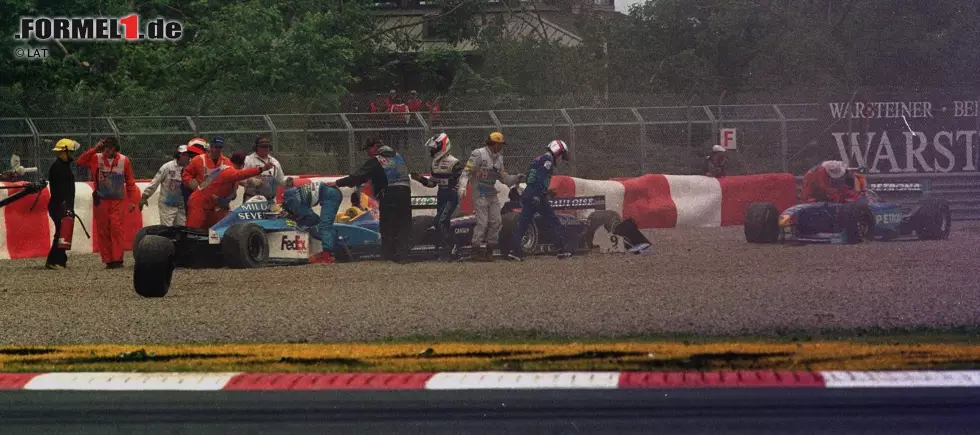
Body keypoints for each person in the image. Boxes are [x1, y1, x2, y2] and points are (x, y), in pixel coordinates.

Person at [331, 138, 412, 264]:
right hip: (406, 193)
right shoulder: (398, 156)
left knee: (387, 225)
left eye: (369, 149)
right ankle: (403, 256)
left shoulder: (377, 161)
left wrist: (337, 183)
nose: (368, 153)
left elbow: (358, 177)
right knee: (403, 224)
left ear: (376, 147)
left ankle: (388, 256)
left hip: (389, 194)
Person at [458, 132, 524, 262]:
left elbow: (504, 178)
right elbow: (466, 171)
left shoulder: (499, 158)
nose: (501, 148)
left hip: (491, 192)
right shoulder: (478, 154)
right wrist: (462, 185)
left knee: (496, 221)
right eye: (500, 145)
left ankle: (489, 250)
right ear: (494, 144)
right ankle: (475, 250)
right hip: (479, 190)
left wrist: (516, 178)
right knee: (482, 222)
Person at [76, 137, 140, 269]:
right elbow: (80, 161)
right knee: (103, 230)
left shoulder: (124, 160)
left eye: (109, 147)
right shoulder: (96, 158)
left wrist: (133, 201)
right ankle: (108, 260)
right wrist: (94, 149)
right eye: (104, 147)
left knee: (117, 229)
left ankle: (118, 259)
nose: (106, 150)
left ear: (115, 149)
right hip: (101, 200)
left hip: (117, 200)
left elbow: (130, 182)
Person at [507, 140, 573, 261]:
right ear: (557, 152)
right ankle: (562, 250)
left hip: (529, 192)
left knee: (523, 223)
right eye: (561, 155)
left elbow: (530, 179)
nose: (560, 159)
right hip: (537, 195)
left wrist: (542, 192)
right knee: (552, 221)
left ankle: (514, 251)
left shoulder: (537, 159)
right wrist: (538, 195)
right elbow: (540, 177)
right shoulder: (548, 160)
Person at [411, 133, 463, 261]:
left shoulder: (454, 163)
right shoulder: (434, 164)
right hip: (441, 195)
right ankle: (446, 250)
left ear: (443, 146)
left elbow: (463, 180)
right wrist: (420, 179)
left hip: (451, 196)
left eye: (434, 147)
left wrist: (458, 188)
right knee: (438, 223)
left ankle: (456, 248)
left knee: (441, 221)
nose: (432, 150)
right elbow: (432, 183)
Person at [186, 152, 273, 229]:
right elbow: (240, 175)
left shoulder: (227, 171)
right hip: (199, 204)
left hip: (211, 205)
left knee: (216, 230)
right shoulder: (228, 171)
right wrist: (262, 169)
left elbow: (238, 182)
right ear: (242, 165)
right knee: (194, 231)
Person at [281, 178, 344, 264]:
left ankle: (327, 256)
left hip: (331, 196)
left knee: (324, 226)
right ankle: (330, 250)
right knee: (323, 225)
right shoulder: (291, 194)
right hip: (330, 192)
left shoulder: (293, 203)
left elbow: (312, 218)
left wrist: (298, 222)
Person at [44, 138, 79, 270]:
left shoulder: (63, 166)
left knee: (63, 232)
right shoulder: (58, 167)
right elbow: (61, 190)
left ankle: (60, 260)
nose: (72, 154)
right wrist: (66, 206)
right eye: (71, 151)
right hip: (59, 205)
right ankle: (53, 261)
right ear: (64, 151)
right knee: (60, 232)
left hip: (62, 205)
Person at [140, 145, 193, 226]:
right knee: (167, 230)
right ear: (179, 155)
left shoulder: (191, 168)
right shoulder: (167, 167)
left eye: (189, 155)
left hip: (181, 206)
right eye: (185, 154)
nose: (188, 157)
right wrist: (145, 196)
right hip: (167, 206)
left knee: (182, 230)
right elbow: (155, 182)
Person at [242, 136, 286, 202]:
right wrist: (251, 181)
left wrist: (291, 182)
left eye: (267, 146)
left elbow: (281, 181)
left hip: (270, 200)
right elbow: (239, 178)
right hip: (252, 200)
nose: (266, 148)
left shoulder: (275, 162)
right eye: (263, 146)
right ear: (256, 147)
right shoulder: (248, 160)